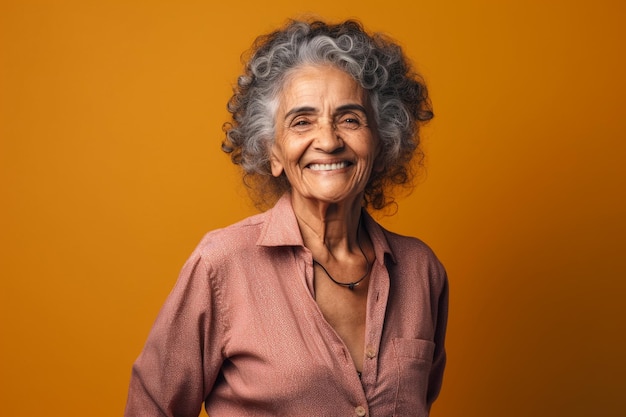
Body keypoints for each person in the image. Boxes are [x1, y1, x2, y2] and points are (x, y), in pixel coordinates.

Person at [125, 18, 448, 417]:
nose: (328, 141)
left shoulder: (421, 271)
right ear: (273, 152)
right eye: (302, 122)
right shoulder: (221, 264)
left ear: (380, 142)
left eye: (350, 119)